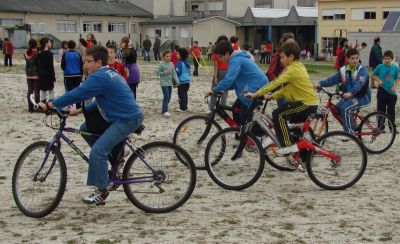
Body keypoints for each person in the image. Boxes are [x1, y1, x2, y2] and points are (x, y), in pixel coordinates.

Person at [38, 45, 144, 205]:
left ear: (99, 62)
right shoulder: (107, 73)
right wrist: (79, 111)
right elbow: (102, 99)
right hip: (119, 116)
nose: (85, 65)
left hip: (126, 119)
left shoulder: (100, 76)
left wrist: (50, 105)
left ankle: (102, 191)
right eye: (85, 61)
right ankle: (117, 156)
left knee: (98, 151)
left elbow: (76, 93)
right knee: (85, 129)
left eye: (88, 61)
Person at [247, 41, 318, 155]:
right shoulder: (297, 66)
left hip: (305, 104)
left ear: (291, 56)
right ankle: (302, 159)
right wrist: (272, 96)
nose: (281, 60)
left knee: (278, 114)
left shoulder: (292, 70)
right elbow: (286, 90)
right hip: (307, 102)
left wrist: (257, 94)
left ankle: (286, 145)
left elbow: (275, 83)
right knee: (294, 132)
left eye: (283, 57)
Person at [210, 41, 268, 127]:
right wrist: (223, 89)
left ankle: (251, 138)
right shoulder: (234, 59)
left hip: (256, 87)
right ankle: (239, 134)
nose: (219, 59)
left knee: (244, 116)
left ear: (226, 54)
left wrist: (214, 89)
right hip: (250, 87)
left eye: (220, 57)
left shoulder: (235, 60)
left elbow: (228, 80)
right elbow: (234, 82)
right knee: (235, 110)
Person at [315, 48, 371, 134]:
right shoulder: (343, 70)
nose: (355, 60)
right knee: (336, 109)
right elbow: (332, 80)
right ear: (347, 59)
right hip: (349, 96)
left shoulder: (362, 70)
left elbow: (360, 83)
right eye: (352, 58)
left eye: (357, 58)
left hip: (362, 97)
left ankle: (349, 133)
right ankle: (353, 125)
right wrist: (320, 84)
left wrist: (350, 93)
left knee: (345, 109)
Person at [372, 50, 399, 132]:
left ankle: (392, 127)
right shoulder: (380, 66)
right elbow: (373, 75)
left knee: (391, 110)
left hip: (391, 92)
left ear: (392, 59)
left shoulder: (395, 67)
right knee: (381, 109)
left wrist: (395, 86)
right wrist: (378, 80)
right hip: (382, 90)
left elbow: (397, 78)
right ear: (383, 59)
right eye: (385, 58)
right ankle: (381, 127)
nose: (387, 60)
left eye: (389, 58)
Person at [266, 32, 295, 107]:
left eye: (293, 42)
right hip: (280, 86)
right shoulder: (277, 55)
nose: (291, 45)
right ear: (283, 43)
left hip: (291, 87)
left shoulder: (293, 55)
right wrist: (279, 84)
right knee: (283, 109)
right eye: (289, 42)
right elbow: (270, 72)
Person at [61, 40, 83, 108]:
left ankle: (70, 105)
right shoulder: (78, 54)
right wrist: (81, 74)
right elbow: (81, 64)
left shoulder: (65, 54)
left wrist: (65, 69)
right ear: (75, 46)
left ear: (68, 46)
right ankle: (78, 105)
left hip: (68, 75)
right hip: (77, 75)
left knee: (69, 91)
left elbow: (62, 65)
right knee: (77, 91)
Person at [156, 51, 179, 117]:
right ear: (163, 57)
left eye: (169, 56)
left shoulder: (171, 64)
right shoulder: (161, 64)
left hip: (169, 83)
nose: (169, 57)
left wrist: (177, 81)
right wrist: (165, 73)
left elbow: (174, 73)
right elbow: (157, 73)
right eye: (167, 56)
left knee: (169, 97)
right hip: (163, 83)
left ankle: (164, 108)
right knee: (166, 96)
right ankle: (165, 111)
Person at [210, 35, 229, 112]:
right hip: (227, 72)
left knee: (214, 91)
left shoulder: (216, 51)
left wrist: (215, 76)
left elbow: (216, 65)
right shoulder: (228, 51)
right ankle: (222, 110)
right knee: (224, 92)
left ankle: (212, 109)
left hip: (219, 72)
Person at [37, 37, 56, 103]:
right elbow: (51, 66)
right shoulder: (49, 54)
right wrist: (53, 76)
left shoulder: (39, 53)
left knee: (43, 90)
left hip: (41, 74)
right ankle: (50, 105)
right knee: (51, 90)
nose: (50, 43)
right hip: (48, 74)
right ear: (46, 44)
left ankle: (42, 105)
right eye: (49, 42)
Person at [24, 39, 40, 112]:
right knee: (36, 91)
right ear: (36, 44)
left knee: (30, 90)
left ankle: (30, 107)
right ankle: (36, 106)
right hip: (36, 73)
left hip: (28, 73)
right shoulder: (36, 52)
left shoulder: (26, 53)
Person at [176, 48, 191, 112]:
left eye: (177, 54)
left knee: (181, 95)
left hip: (181, 82)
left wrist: (175, 72)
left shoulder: (179, 63)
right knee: (185, 94)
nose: (176, 55)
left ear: (181, 55)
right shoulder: (187, 63)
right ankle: (185, 107)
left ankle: (182, 108)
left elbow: (178, 72)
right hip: (187, 82)